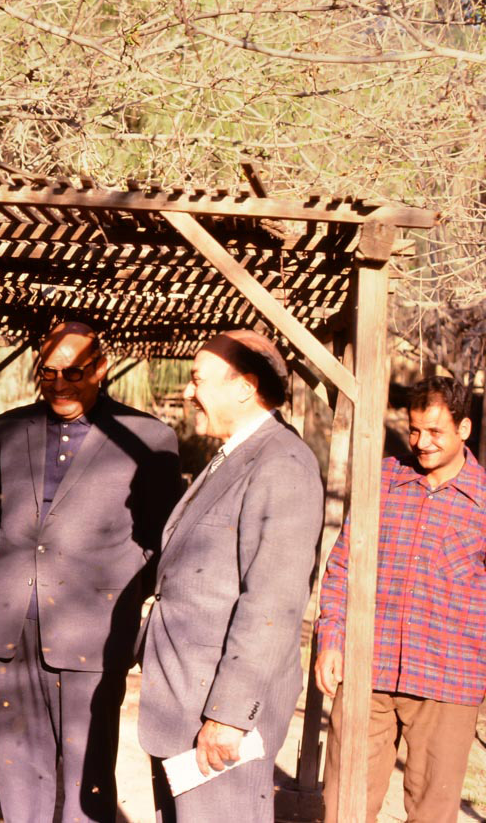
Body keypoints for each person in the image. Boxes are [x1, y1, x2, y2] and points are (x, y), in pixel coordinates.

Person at [0, 323, 181, 822]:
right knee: (16, 763)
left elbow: (160, 540)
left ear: (101, 369)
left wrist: (112, 597)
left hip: (94, 629)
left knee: (87, 773)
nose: (59, 384)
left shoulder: (148, 437)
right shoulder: (6, 430)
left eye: (73, 372)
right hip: (13, 624)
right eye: (48, 372)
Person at [137, 330, 324, 822]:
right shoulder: (237, 455)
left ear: (245, 387)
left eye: (198, 380)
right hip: (188, 702)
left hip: (220, 717)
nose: (187, 392)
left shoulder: (282, 464)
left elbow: (272, 603)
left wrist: (228, 716)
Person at [315, 376, 486, 823]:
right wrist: (331, 639)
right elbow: (342, 566)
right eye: (414, 430)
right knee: (342, 806)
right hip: (367, 670)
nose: (421, 442)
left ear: (464, 429)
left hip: (449, 683)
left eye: (435, 432)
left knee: (432, 813)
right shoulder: (384, 480)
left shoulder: (484, 502)